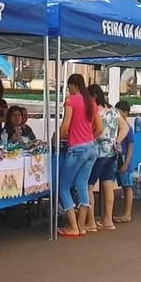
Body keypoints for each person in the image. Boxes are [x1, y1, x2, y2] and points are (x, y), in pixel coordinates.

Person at [57, 73, 102, 237]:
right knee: (82, 185)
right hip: (91, 148)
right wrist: (89, 138)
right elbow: (100, 128)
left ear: (72, 85)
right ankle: (81, 226)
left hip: (76, 149)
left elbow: (65, 125)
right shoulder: (91, 102)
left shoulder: (70, 100)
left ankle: (73, 226)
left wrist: (59, 137)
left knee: (63, 187)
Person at [88, 83, 127, 231]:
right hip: (112, 153)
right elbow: (125, 128)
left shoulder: (95, 111)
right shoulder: (113, 111)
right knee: (108, 186)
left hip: (98, 153)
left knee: (88, 186)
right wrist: (117, 141)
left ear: (94, 96)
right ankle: (108, 220)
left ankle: (91, 222)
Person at [112, 100, 136, 224]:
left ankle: (127, 213)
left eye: (119, 112)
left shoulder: (128, 129)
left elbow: (131, 147)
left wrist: (126, 163)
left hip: (124, 160)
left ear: (125, 113)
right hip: (117, 159)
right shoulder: (116, 128)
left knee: (127, 187)